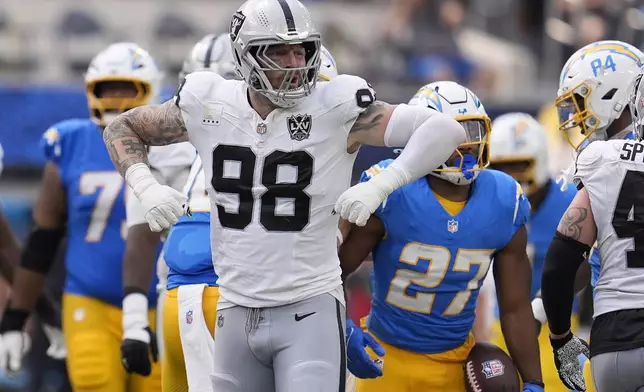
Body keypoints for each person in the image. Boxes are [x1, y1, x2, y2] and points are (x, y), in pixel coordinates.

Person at [101, 0, 467, 390]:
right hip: (234, 307)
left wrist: (383, 182)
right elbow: (123, 128)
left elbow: (446, 131)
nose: (294, 62)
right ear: (244, 55)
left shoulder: (336, 105)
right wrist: (146, 186)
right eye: (278, 50)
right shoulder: (208, 102)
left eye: (302, 50)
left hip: (308, 307)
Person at [339, 81, 544, 392]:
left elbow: (515, 307)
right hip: (385, 357)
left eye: (473, 133)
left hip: (456, 363)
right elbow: (330, 271)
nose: (467, 145)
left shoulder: (504, 201)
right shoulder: (391, 193)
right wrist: (341, 329)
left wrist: (533, 381)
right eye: (455, 134)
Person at [0, 42, 164, 392]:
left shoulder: (177, 146)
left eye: (127, 89)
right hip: (90, 300)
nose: (117, 99)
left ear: (149, 90)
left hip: (161, 303)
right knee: (96, 384)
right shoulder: (70, 142)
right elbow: (41, 241)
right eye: (108, 89)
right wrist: (16, 318)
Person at [541, 40, 644, 392]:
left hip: (616, 341)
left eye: (581, 102)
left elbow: (560, 264)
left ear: (614, 94)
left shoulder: (603, 160)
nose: (576, 118)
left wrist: (560, 337)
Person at [486, 112, 598, 392]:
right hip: (501, 327)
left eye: (519, 165)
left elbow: (588, 264)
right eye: (503, 167)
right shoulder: (487, 201)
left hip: (557, 324)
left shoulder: (571, 199)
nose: (511, 176)